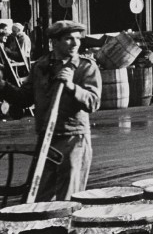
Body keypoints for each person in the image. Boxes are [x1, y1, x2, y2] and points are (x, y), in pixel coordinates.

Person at [0, 20, 101, 199]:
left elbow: (93, 103)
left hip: (73, 139)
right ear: (54, 42)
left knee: (69, 199)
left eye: (77, 38)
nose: (76, 43)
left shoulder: (85, 67)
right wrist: (2, 86)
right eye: (69, 39)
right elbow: (24, 98)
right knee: (39, 198)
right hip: (46, 139)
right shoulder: (41, 66)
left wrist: (71, 87)